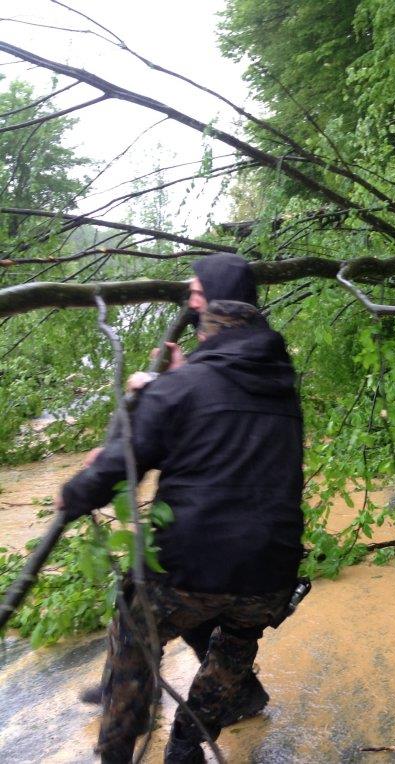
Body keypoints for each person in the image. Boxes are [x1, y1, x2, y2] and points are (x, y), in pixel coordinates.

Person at [57, 298, 305, 763]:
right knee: (234, 645)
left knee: (133, 633)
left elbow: (126, 461)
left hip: (190, 567)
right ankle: (188, 745)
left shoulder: (185, 385)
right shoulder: (284, 391)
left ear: (206, 337)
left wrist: (76, 493)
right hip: (272, 571)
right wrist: (174, 381)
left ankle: (115, 749)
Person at [79, 254, 270, 724]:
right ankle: (219, 693)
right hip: (235, 527)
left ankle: (136, 700)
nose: (190, 303)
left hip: (226, 523)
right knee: (194, 594)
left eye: (198, 295)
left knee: (158, 596)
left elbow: (202, 411)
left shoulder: (240, 367)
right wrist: (179, 378)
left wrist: (162, 388)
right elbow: (206, 414)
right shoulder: (257, 360)